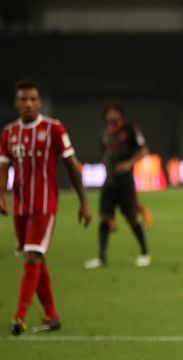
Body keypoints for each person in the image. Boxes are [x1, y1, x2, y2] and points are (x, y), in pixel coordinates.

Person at [0, 79, 92, 335]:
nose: (28, 104)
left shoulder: (53, 129)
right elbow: (3, 167)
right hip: (20, 207)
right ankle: (52, 315)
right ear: (16, 103)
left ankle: (19, 316)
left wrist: (83, 202)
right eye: (23, 99)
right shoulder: (9, 133)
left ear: (39, 102)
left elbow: (72, 167)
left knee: (32, 257)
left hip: (44, 205)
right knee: (37, 259)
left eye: (32, 99)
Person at [84, 102, 151, 269]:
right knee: (104, 218)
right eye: (108, 112)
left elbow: (143, 150)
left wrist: (129, 163)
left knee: (131, 217)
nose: (111, 115)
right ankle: (101, 257)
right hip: (109, 182)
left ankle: (144, 253)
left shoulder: (130, 129)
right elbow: (104, 154)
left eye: (114, 111)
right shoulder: (104, 133)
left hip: (125, 182)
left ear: (121, 113)